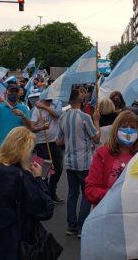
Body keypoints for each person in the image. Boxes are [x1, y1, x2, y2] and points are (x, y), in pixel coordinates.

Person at [0, 127, 58, 260]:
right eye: (31, 151)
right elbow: (45, 209)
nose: (32, 156)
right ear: (24, 152)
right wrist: (38, 179)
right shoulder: (20, 177)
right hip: (16, 246)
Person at [57, 88, 100, 237]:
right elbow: (97, 138)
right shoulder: (85, 117)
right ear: (80, 99)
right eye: (82, 95)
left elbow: (58, 141)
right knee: (86, 195)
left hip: (69, 162)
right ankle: (82, 227)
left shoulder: (63, 117)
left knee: (72, 195)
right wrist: (96, 120)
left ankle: (71, 226)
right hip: (84, 163)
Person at [85, 110, 138, 205]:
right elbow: (91, 191)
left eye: (133, 127)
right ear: (116, 129)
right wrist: (115, 195)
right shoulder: (103, 154)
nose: (128, 130)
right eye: (124, 127)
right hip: (108, 213)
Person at [0, 84, 42, 174]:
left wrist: (23, 116)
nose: (14, 93)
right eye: (11, 91)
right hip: (0, 147)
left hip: (18, 148)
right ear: (6, 92)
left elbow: (29, 127)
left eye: (16, 91)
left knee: (17, 174)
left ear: (19, 94)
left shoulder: (23, 108)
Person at [30, 98, 65, 203]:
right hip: (41, 144)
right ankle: (44, 195)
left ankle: (52, 191)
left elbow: (58, 114)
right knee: (44, 171)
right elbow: (32, 127)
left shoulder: (56, 104)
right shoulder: (36, 109)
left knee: (58, 168)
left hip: (55, 142)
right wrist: (41, 128)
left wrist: (44, 107)